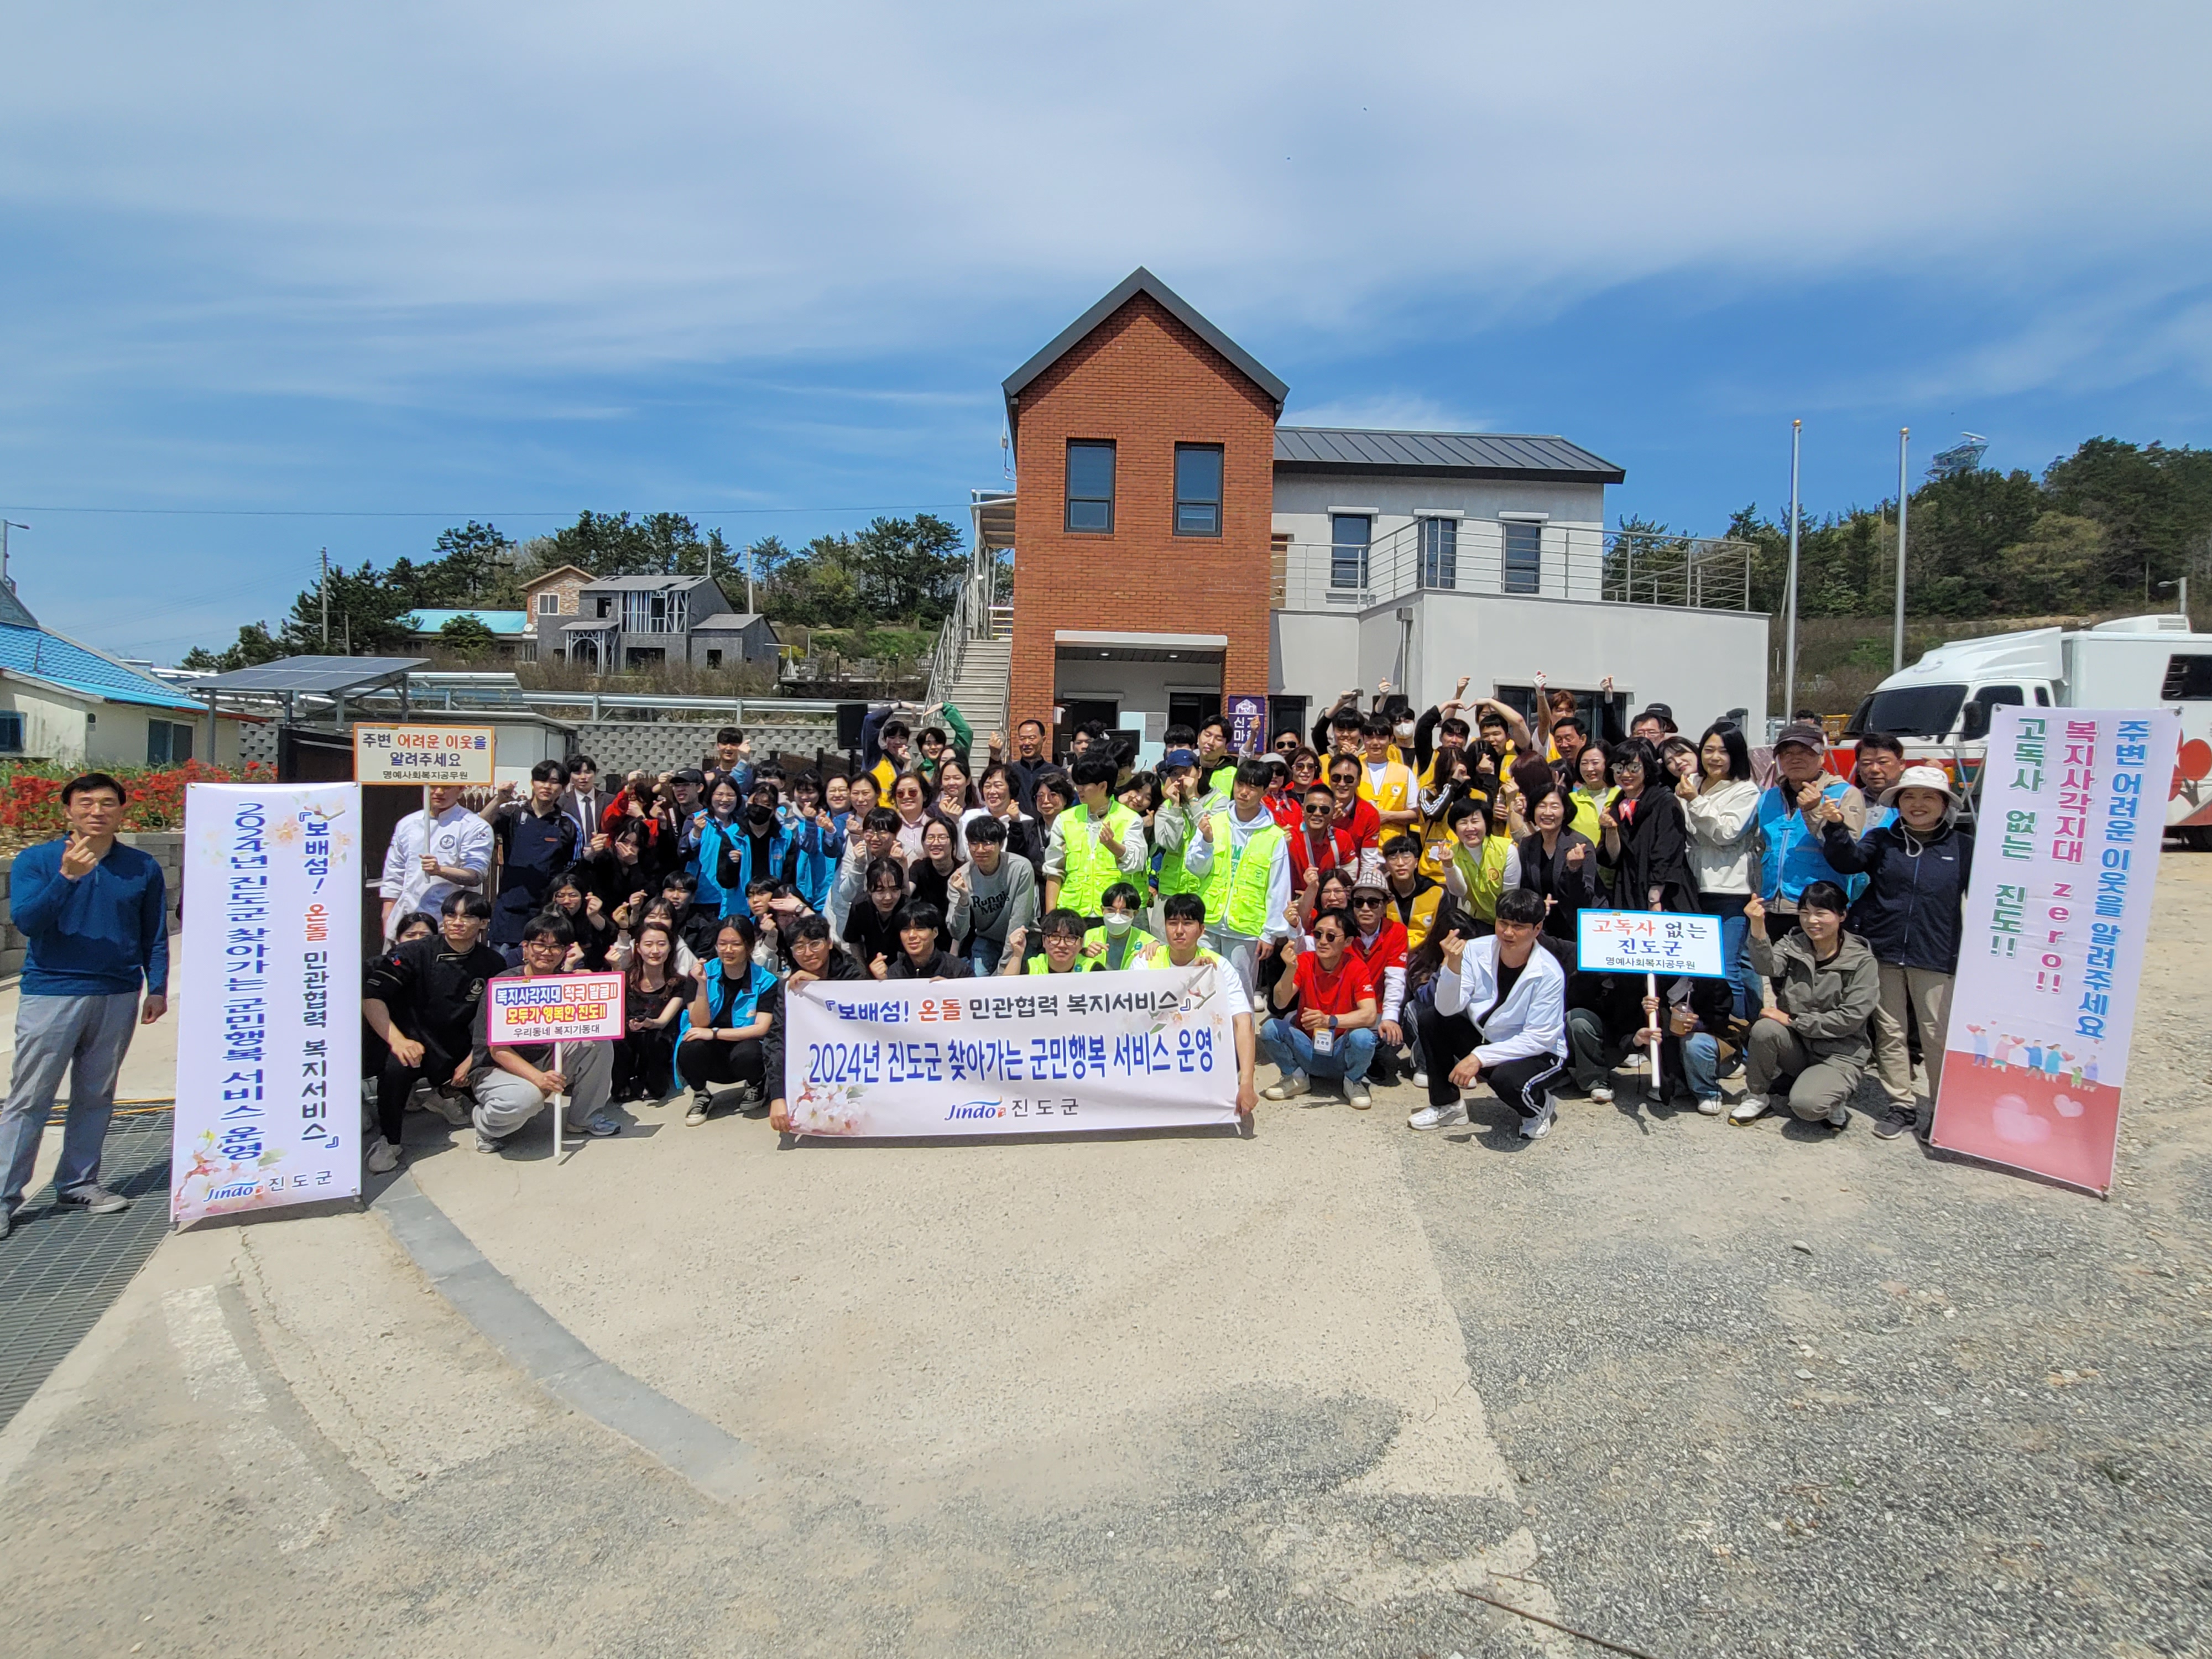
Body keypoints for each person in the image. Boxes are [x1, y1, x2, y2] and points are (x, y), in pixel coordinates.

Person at [0, 773, 170, 1235]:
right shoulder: (36, 861)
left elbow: (152, 931)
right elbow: (28, 922)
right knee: (29, 1098)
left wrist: (157, 986)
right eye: (87, 802)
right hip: (52, 992)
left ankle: (78, 1183)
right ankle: (4, 1196)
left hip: (117, 992)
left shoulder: (141, 866)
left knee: (95, 1095)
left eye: (108, 803)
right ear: (67, 811)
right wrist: (66, 879)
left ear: (122, 811)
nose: (98, 811)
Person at [1819, 765, 1972, 1140]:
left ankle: (1941, 1109)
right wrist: (1837, 828)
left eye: (1928, 797)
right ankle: (1901, 1105)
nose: (1918, 804)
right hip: (1883, 948)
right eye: (1909, 796)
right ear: (1899, 802)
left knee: (1937, 1034)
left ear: (1944, 804)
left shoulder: (1964, 847)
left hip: (1936, 952)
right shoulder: (1881, 839)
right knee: (1890, 1031)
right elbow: (1847, 862)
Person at [1407, 888, 1568, 1139]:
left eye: (1518, 926)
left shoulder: (1549, 973)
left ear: (1537, 929)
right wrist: (1453, 967)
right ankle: (1447, 1106)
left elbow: (1538, 1038)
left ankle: (1539, 1107)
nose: (1507, 932)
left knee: (1507, 1080)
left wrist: (1479, 1057)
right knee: (1432, 1019)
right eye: (1502, 923)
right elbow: (1447, 1008)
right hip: (1491, 1037)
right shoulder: (1475, 950)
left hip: (1541, 1052)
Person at [361, 890, 503, 1171]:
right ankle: (389, 1140)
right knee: (395, 1071)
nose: (457, 922)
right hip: (413, 1041)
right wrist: (398, 1042)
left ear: (484, 923)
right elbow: (371, 998)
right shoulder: (413, 953)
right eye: (451, 915)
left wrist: (474, 1058)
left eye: (467, 916)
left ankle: (446, 1097)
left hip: (460, 1046)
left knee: (510, 1109)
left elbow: (496, 1019)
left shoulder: (492, 963)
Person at [468, 911, 622, 1152]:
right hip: (496, 1068)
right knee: (528, 1100)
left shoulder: (566, 981)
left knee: (598, 1041)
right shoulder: (504, 984)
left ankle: (584, 1118)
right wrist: (539, 1079)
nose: (547, 952)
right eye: (540, 945)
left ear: (565, 952)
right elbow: (498, 1050)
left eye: (555, 947)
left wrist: (590, 987)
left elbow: (601, 1016)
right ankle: (487, 1127)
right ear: (526, 948)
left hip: (546, 1056)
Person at [1732, 884, 1879, 1130]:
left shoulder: (1862, 960)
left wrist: (1792, 1021)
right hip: (1799, 1046)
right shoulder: (1795, 943)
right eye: (1804, 913)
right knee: (1765, 1028)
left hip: (1839, 1053)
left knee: (1806, 1106)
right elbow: (1767, 967)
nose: (1812, 921)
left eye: (1821, 913)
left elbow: (1850, 1018)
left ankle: (1833, 1093)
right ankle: (1757, 1096)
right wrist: (1758, 925)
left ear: (1842, 915)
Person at [1181, 758, 1293, 1013]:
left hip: (1246, 929)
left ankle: (1237, 1048)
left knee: (1239, 993)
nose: (1244, 792)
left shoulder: (1273, 836)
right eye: (1240, 784)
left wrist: (1270, 933)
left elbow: (1278, 888)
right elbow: (1194, 866)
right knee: (1199, 988)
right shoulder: (1215, 822)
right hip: (1208, 923)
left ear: (1265, 792)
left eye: (1253, 787)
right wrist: (1207, 842)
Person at [1134, 893, 1258, 1117]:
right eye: (1173, 923)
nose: (1179, 930)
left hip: (1199, 1053)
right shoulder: (1146, 961)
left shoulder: (1220, 966)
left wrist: (1248, 1082)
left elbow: (1243, 1021)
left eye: (1188, 923)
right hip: (1157, 1052)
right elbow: (1131, 1017)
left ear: (1202, 930)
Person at [1754, 722, 1868, 937]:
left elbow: (1849, 850)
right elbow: (1760, 847)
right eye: (1787, 753)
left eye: (1805, 752)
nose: (1795, 758)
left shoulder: (1844, 794)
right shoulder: (1768, 797)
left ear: (1822, 756)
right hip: (1772, 904)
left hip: (1820, 908)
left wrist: (1814, 810)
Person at [1259, 908, 1379, 1108]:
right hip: (1308, 1049)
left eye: (1331, 936)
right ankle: (1296, 1078)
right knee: (1270, 1028)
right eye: (1318, 934)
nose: (1323, 941)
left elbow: (1370, 1015)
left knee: (1364, 1038)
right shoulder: (1305, 960)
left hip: (1341, 1051)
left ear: (1348, 942)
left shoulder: (1357, 967)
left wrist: (1330, 1020)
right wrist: (1290, 969)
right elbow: (1280, 1003)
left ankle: (1353, 1081)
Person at [1679, 721, 1761, 1013]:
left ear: (1736, 755)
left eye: (1723, 751)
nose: (1714, 757)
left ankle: (1736, 1038)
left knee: (1727, 970)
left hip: (1730, 891)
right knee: (1700, 970)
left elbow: (1727, 833)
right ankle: (1709, 1032)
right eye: (1708, 750)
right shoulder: (1693, 783)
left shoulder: (1746, 791)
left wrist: (1694, 801)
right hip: (1694, 889)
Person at [677, 916, 780, 1125]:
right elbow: (699, 1022)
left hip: (743, 1052)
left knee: (750, 1052)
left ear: (749, 946)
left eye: (735, 944)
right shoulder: (700, 974)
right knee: (690, 1046)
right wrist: (702, 985)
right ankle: (701, 1094)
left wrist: (715, 1033)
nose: (728, 950)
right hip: (712, 1053)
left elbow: (761, 1028)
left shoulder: (766, 980)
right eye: (722, 944)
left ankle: (756, 1084)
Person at [479, 759, 582, 964]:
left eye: (554, 782)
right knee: (501, 970)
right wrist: (498, 799)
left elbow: (572, 867)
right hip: (510, 911)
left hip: (547, 912)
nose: (547, 786)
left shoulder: (568, 824)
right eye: (541, 780)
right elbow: (477, 827)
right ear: (533, 783)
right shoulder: (513, 813)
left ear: (563, 788)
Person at [379, 781, 494, 941]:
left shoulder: (475, 826)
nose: (439, 792)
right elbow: (394, 872)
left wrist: (440, 871)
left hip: (450, 923)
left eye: (446, 787)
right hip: (407, 921)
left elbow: (476, 875)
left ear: (461, 789)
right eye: (433, 787)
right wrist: (388, 912)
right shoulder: (407, 824)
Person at [1042, 756, 1146, 922]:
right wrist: (1051, 917)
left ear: (1103, 786)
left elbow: (1136, 864)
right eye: (1077, 783)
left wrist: (1112, 845)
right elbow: (1054, 871)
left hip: (1114, 912)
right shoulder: (1065, 819)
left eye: (1085, 785)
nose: (1079, 789)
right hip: (1072, 913)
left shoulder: (1130, 819)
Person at [1598, 737, 1695, 914]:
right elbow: (1613, 857)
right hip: (1628, 890)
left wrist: (1655, 896)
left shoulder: (1665, 801)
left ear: (1647, 769)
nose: (1626, 774)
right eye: (1619, 768)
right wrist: (1611, 830)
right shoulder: (1616, 806)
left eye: (1633, 768)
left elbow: (1667, 852)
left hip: (1664, 895)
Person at [1345, 858, 1411, 1086]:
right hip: (1344, 1008)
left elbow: (1396, 979)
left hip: (1377, 1010)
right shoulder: (1340, 929)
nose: (1365, 908)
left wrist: (1391, 1018)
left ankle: (1371, 1061)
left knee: (1391, 1037)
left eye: (1373, 902)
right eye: (1359, 902)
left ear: (1385, 906)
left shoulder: (1398, 932)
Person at [615, 920, 692, 1104]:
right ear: (639, 949)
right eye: (648, 945)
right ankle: (622, 1083)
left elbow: (663, 1021)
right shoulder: (626, 978)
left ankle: (652, 1082)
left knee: (654, 1038)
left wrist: (650, 1023)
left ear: (670, 949)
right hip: (629, 1036)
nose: (655, 951)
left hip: (659, 1035)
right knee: (618, 1039)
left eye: (661, 944)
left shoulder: (678, 983)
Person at [953, 815, 1035, 975]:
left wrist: (1003, 971)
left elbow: (1019, 920)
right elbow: (958, 933)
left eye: (988, 843)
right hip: (987, 939)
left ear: (1001, 844)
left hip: (1023, 938)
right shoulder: (960, 878)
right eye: (974, 844)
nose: (980, 850)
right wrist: (963, 901)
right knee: (977, 987)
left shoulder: (1021, 868)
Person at [1515, 787, 1599, 945]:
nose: (1547, 812)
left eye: (1554, 807)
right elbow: (1526, 889)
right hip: (1543, 928)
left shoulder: (1581, 845)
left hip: (1576, 929)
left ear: (1565, 812)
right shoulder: (1528, 845)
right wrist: (1538, 905)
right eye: (1542, 806)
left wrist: (1574, 869)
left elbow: (1586, 898)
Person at [1440, 795, 1522, 932]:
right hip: (1474, 922)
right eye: (1463, 822)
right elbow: (1460, 892)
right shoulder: (1452, 854)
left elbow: (1510, 895)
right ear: (1455, 828)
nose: (1470, 828)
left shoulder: (1507, 849)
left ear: (1486, 823)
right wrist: (1449, 866)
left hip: (1507, 920)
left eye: (1475, 821)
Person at [841, 856, 909, 976]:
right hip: (871, 966)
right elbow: (854, 942)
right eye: (880, 891)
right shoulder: (861, 907)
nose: (888, 897)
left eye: (894, 890)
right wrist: (866, 973)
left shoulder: (907, 908)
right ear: (869, 890)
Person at [1355, 715, 1419, 831]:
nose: (1375, 743)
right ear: (1363, 739)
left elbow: (1416, 814)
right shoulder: (1353, 768)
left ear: (1391, 739)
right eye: (1370, 737)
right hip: (1359, 842)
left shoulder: (1404, 772)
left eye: (1381, 738)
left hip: (1394, 845)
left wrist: (1388, 816)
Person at [1379, 833, 1443, 952]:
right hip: (1389, 954)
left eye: (1406, 857)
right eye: (1393, 858)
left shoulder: (1435, 892)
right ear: (1387, 865)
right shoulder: (1380, 894)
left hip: (1426, 958)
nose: (1400, 863)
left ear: (1416, 862)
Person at [880, 903, 973, 980]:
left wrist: (951, 991)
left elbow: (973, 998)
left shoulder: (958, 970)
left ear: (935, 932)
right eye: (905, 929)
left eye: (920, 929)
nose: (912, 935)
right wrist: (882, 983)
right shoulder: (893, 973)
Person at [546, 870, 617, 971]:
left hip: (591, 968)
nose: (567, 901)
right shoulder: (546, 915)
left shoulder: (589, 913)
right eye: (561, 896)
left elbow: (610, 934)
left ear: (583, 897)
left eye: (573, 896)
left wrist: (593, 916)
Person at [999, 909, 1098, 975]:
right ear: (1044, 940)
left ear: (1081, 943)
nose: (1062, 945)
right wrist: (1017, 955)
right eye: (1054, 937)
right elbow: (1004, 993)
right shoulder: (1031, 967)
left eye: (1070, 938)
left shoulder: (1093, 969)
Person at [1091, 881, 1156, 971]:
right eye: (1111, 910)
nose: (1117, 916)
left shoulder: (1148, 942)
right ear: (1103, 910)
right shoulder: (1088, 937)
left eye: (1125, 912)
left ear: (1135, 913)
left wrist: (1157, 946)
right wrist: (1083, 952)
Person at [557, 755, 613, 844]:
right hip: (574, 855)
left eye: (588, 772)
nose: (583, 777)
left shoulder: (609, 800)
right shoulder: (561, 803)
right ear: (570, 776)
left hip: (604, 854)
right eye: (578, 773)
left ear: (595, 774)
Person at [1004, 718, 1053, 811]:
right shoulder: (1010, 771)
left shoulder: (1055, 772)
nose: (1026, 743)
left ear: (1044, 740)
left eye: (1032, 738)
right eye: (1022, 739)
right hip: (1016, 821)